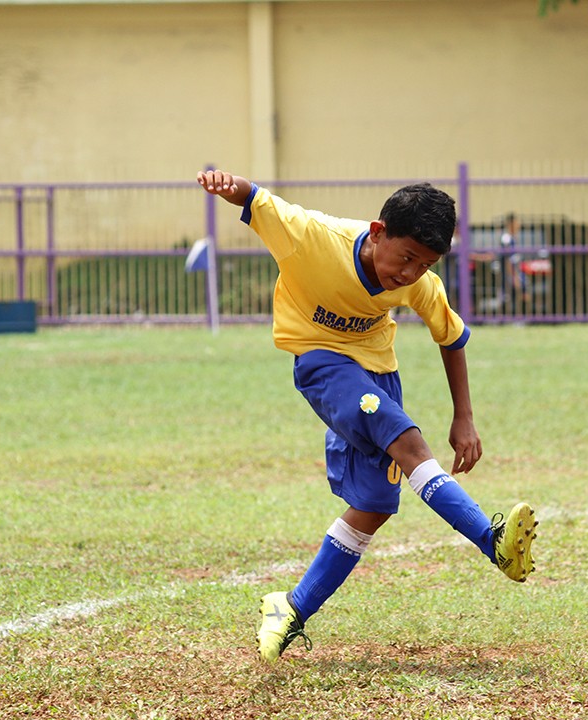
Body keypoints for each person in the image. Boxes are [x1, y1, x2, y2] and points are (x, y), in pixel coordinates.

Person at [196, 169, 538, 662]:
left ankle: (290, 607)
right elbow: (259, 200)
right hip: (321, 362)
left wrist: (464, 417)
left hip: (377, 374)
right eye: (406, 257)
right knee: (410, 443)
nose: (410, 273)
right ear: (378, 232)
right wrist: (228, 185)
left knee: (374, 504)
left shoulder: (420, 283)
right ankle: (493, 543)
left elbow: (451, 338)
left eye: (425, 264)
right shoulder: (314, 238)